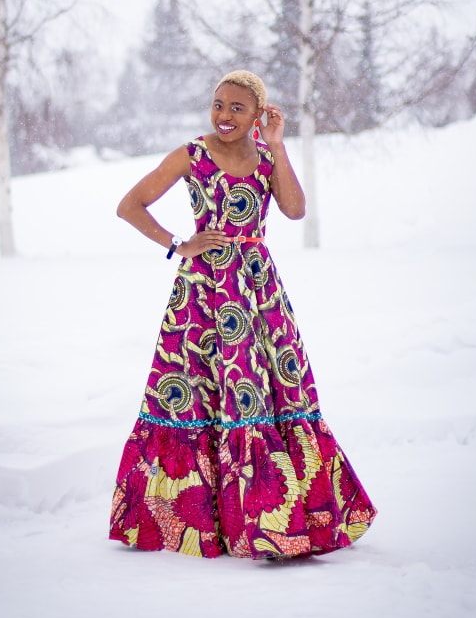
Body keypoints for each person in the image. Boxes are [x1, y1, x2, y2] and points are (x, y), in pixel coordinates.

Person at [109, 69, 376, 559]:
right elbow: (130, 205)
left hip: (258, 295)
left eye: (236, 108)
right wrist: (180, 244)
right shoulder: (192, 154)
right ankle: (210, 523)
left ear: (257, 115)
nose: (224, 116)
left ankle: (273, 522)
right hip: (203, 297)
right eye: (218, 105)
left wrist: (278, 145)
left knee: (269, 393)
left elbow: (294, 210)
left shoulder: (266, 155)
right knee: (203, 396)